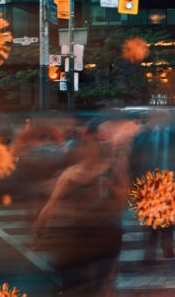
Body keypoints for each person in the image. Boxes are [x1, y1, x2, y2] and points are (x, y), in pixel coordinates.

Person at [31, 119, 138, 295]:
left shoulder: (112, 170)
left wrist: (110, 188)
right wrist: (39, 230)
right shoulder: (72, 173)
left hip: (103, 239)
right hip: (82, 239)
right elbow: (52, 204)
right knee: (84, 285)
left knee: (97, 285)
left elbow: (123, 201)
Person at [129, 109, 175, 262]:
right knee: (149, 220)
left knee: (169, 219)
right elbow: (134, 162)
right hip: (148, 185)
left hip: (169, 184)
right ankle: (150, 249)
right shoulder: (143, 137)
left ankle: (167, 247)